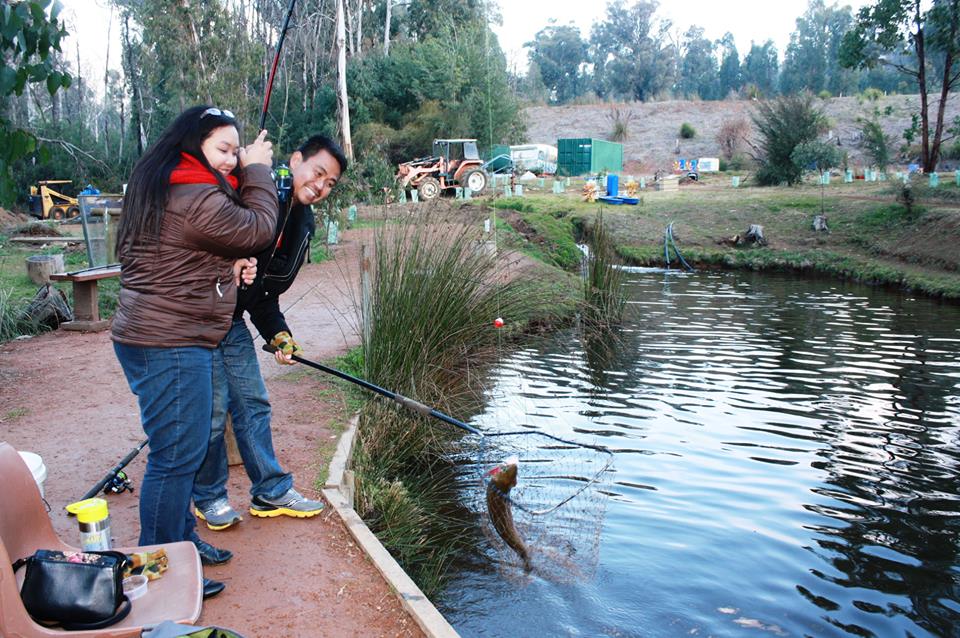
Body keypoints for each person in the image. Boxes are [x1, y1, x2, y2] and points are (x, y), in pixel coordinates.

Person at [111, 105, 278, 599]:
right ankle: (161, 572)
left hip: (155, 336)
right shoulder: (194, 192)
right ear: (193, 144)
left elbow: (177, 262)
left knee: (177, 452)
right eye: (224, 150)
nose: (231, 159)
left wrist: (228, 267)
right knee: (175, 458)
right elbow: (259, 227)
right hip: (171, 342)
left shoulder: (171, 184)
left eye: (236, 151)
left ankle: (180, 543)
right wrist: (258, 169)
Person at [192, 135, 348, 531]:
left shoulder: (303, 222)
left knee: (253, 403)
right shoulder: (252, 192)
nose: (320, 186)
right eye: (317, 172)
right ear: (295, 160)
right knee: (213, 412)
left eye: (330, 183)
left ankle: (270, 491)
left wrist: (281, 336)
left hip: (232, 322)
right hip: (199, 316)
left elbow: (264, 295)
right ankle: (207, 496)